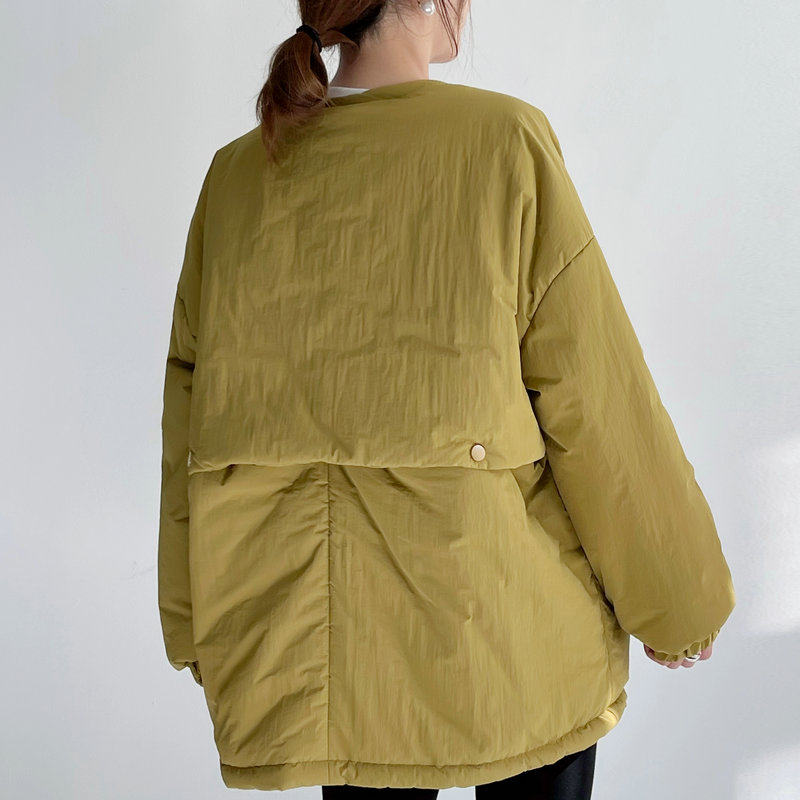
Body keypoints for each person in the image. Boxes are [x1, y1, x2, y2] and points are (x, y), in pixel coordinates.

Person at [156, 1, 737, 798]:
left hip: (323, 661)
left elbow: (188, 426)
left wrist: (196, 622)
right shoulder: (503, 141)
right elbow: (596, 397)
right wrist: (677, 599)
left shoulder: (236, 176)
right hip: (506, 635)